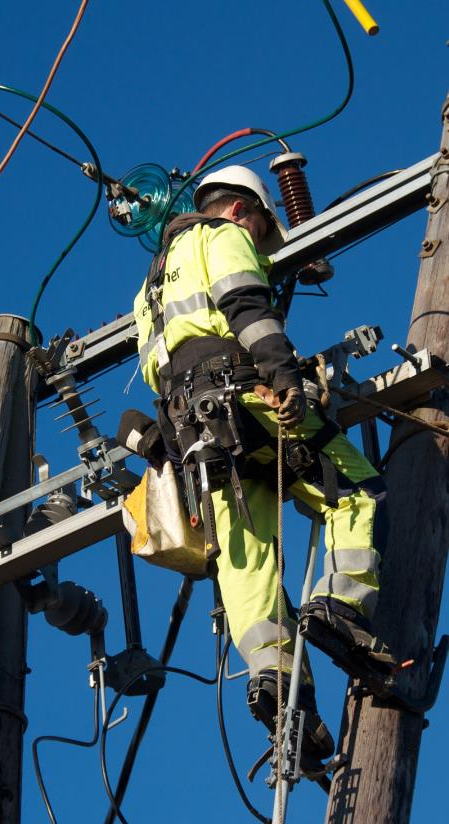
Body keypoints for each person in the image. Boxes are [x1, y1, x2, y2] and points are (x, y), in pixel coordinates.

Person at [133, 165, 395, 771]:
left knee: (245, 560)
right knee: (358, 493)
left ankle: (277, 687)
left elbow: (157, 373)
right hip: (248, 401)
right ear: (237, 209)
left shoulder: (147, 292)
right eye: (259, 227)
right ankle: (342, 607)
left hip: (197, 438)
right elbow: (245, 304)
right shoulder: (220, 237)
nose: (259, 242)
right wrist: (281, 372)